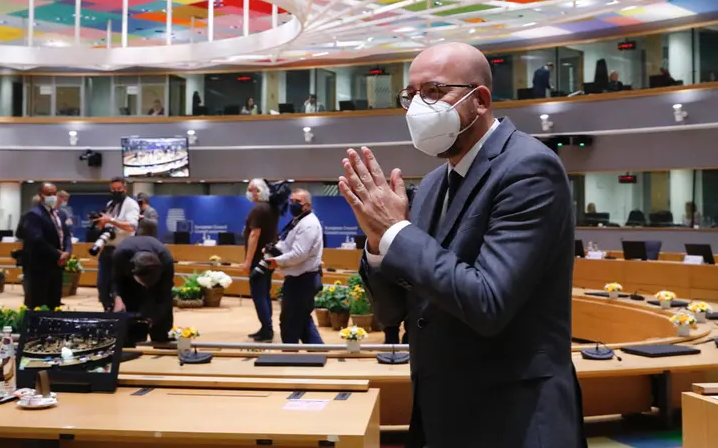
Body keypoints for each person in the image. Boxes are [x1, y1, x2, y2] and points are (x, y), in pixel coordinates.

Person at [340, 42, 585, 448]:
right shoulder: (435, 182)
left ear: (480, 100)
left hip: (513, 417)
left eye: (434, 91)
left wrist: (397, 231)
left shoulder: (528, 168)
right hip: (440, 413)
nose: (418, 106)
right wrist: (378, 243)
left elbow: (487, 302)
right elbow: (392, 312)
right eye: (411, 95)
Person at [263, 189, 324, 344]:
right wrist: (274, 250)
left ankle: (290, 355)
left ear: (307, 205)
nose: (292, 204)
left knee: (290, 322)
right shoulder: (299, 221)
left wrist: (277, 262)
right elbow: (287, 245)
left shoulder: (308, 224)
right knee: (301, 320)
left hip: (304, 280)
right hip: (298, 278)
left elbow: (298, 254)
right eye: (291, 201)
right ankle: (318, 352)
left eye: (297, 202)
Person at [111, 219, 175, 346]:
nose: (145, 286)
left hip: (158, 286)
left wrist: (155, 316)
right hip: (128, 284)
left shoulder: (166, 259)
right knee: (129, 319)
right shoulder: (121, 254)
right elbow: (115, 279)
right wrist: (117, 298)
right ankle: (130, 339)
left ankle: (160, 336)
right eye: (144, 282)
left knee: (160, 313)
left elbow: (165, 293)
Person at [22, 183, 72, 309]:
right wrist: (58, 255)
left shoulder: (60, 214)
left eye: (54, 194)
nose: (53, 197)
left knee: (54, 302)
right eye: (49, 194)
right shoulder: (34, 214)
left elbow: (66, 235)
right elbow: (37, 239)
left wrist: (68, 251)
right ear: (41, 195)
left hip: (57, 265)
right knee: (39, 303)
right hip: (40, 265)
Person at [94, 177, 140, 311]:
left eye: (118, 189)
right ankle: (108, 311)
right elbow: (108, 224)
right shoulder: (110, 204)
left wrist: (111, 220)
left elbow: (131, 227)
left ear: (125, 189)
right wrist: (101, 223)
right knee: (102, 285)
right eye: (113, 189)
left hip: (122, 250)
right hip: (107, 249)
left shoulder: (131, 204)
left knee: (117, 286)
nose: (115, 191)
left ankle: (120, 315)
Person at [243, 178, 280, 341]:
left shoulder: (258, 209)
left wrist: (248, 262)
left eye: (251, 190)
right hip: (268, 259)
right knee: (264, 293)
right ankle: (266, 326)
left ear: (259, 190)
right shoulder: (272, 208)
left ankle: (267, 330)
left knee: (258, 295)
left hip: (258, 260)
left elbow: (254, 235)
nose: (249, 193)